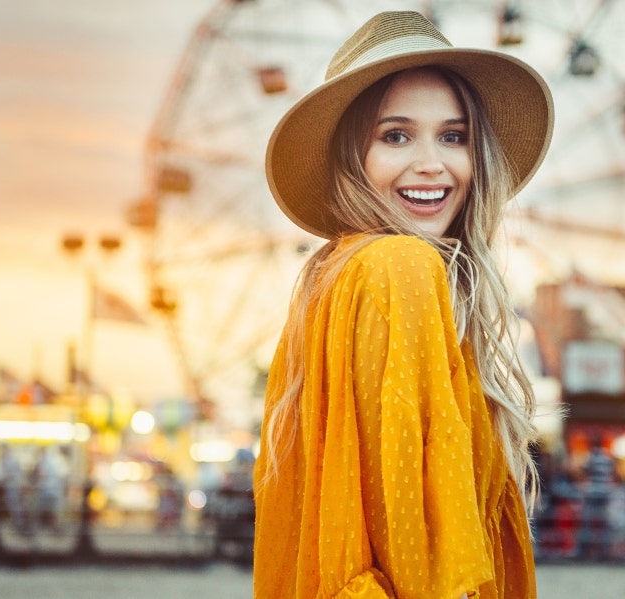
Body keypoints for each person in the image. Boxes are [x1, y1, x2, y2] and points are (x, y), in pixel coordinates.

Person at [253, 10, 553, 598]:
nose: (431, 164)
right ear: (350, 158)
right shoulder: (399, 270)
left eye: (453, 135)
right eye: (395, 135)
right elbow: (423, 552)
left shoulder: (334, 281)